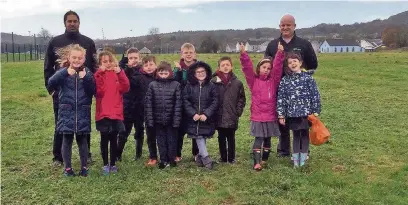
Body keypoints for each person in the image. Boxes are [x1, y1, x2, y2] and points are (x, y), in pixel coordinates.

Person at [44, 10, 97, 166]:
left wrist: (92, 87)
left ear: (79, 23)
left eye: (75, 21)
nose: (72, 23)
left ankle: (86, 155)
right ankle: (58, 157)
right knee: (60, 123)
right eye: (69, 21)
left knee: (83, 123)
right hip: (62, 91)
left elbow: (94, 66)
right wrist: (50, 87)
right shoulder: (55, 42)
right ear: (65, 23)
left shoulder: (88, 42)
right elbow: (48, 66)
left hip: (83, 91)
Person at [264, 14, 318, 158]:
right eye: (282, 25)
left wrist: (302, 78)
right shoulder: (272, 45)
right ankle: (284, 150)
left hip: (300, 91)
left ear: (294, 26)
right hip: (280, 88)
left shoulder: (304, 44)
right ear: (279, 26)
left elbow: (313, 65)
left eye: (288, 25)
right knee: (283, 119)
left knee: (301, 121)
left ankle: (303, 150)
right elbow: (266, 65)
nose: (285, 27)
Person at [47, 44, 96, 177]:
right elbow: (51, 83)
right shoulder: (63, 72)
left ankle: (84, 167)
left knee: (82, 141)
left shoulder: (87, 72)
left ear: (84, 59)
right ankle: (67, 168)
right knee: (67, 140)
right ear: (69, 58)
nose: (77, 60)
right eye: (74, 57)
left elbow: (93, 90)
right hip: (66, 112)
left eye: (80, 58)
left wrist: (85, 78)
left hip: (82, 112)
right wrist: (64, 73)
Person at [240, 42, 285, 170]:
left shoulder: (273, 81)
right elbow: (247, 68)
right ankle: (256, 162)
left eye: (268, 68)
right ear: (259, 68)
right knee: (258, 138)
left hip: (270, 116)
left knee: (268, 139)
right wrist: (243, 54)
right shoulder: (253, 81)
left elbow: (277, 68)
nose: (266, 69)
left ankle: (265, 159)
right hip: (258, 117)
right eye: (264, 67)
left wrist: (280, 53)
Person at [277, 52, 321, 167]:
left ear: (300, 63)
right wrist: (281, 114)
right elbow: (281, 98)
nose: (292, 64)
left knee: (305, 135)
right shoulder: (285, 81)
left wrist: (316, 110)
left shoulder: (308, 78)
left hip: (307, 113)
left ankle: (303, 158)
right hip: (292, 114)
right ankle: (296, 159)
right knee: (296, 136)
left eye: (295, 61)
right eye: (290, 62)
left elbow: (315, 95)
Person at [94, 50, 130, 175]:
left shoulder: (118, 74)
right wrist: (99, 73)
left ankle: (113, 164)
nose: (108, 64)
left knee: (114, 139)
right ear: (100, 63)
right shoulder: (98, 75)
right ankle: (105, 164)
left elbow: (126, 87)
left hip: (116, 113)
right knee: (104, 139)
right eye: (105, 62)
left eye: (110, 61)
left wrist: (120, 73)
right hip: (103, 113)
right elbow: (98, 92)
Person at [145, 62, 182, 169]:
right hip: (158, 120)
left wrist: (176, 120)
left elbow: (178, 104)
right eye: (161, 73)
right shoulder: (152, 85)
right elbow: (149, 104)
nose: (163, 74)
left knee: (172, 140)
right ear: (157, 73)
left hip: (171, 120)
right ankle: (163, 160)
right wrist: (150, 120)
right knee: (161, 141)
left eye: (165, 73)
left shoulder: (176, 85)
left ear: (170, 73)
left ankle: (172, 159)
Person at [183, 61, 219, 169]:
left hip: (206, 117)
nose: (200, 73)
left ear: (207, 72)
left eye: (202, 71)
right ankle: (206, 158)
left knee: (202, 136)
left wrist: (206, 113)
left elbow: (215, 101)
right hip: (194, 118)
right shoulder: (189, 86)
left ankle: (199, 157)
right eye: (197, 72)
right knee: (198, 136)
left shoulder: (211, 86)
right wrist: (193, 113)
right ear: (194, 74)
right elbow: (185, 100)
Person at [211, 56, 246, 164]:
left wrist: (238, 111)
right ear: (219, 67)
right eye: (223, 65)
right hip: (219, 115)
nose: (225, 67)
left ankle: (231, 158)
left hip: (232, 115)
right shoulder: (214, 82)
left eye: (227, 65)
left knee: (231, 138)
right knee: (221, 137)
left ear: (231, 66)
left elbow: (242, 98)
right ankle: (223, 157)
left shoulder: (237, 83)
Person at [173, 43, 200, 162]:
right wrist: (178, 72)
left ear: (194, 54)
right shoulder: (178, 68)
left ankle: (196, 153)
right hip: (181, 104)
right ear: (181, 54)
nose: (188, 55)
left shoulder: (199, 68)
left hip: (195, 103)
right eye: (186, 53)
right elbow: (174, 83)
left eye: (190, 53)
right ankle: (177, 153)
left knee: (195, 129)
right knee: (179, 130)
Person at [117, 48, 142, 161]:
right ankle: (118, 154)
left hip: (139, 107)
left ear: (139, 58)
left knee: (139, 131)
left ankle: (138, 154)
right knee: (123, 132)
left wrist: (128, 70)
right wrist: (121, 65)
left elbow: (135, 82)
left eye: (135, 58)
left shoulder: (142, 71)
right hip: (126, 106)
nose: (133, 60)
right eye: (130, 58)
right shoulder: (124, 71)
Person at [133, 56, 158, 165]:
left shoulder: (160, 76)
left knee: (162, 134)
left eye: (151, 64)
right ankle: (153, 156)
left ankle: (165, 154)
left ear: (156, 65)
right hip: (146, 111)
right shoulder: (139, 77)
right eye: (146, 65)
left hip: (160, 110)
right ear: (142, 67)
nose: (149, 67)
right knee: (150, 134)